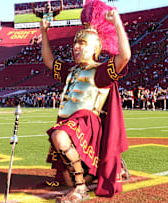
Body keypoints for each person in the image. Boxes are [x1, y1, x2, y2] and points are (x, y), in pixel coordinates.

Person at [39, 0, 131, 202]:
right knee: (67, 179)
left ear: (95, 48)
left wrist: (116, 22)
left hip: (87, 123)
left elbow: (125, 56)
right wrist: (44, 32)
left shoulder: (101, 71)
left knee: (60, 137)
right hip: (70, 123)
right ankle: (100, 171)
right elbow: (48, 61)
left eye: (82, 43)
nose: (76, 47)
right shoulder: (70, 71)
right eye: (75, 43)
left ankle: (81, 189)